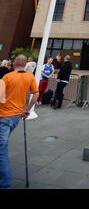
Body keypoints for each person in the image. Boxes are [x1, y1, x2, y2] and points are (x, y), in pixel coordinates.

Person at [0, 55, 39, 189]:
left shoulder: (7, 77)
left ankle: (5, 183)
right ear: (25, 64)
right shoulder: (30, 76)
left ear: (14, 63)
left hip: (3, 116)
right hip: (16, 116)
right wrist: (27, 110)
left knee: (2, 150)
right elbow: (36, 94)